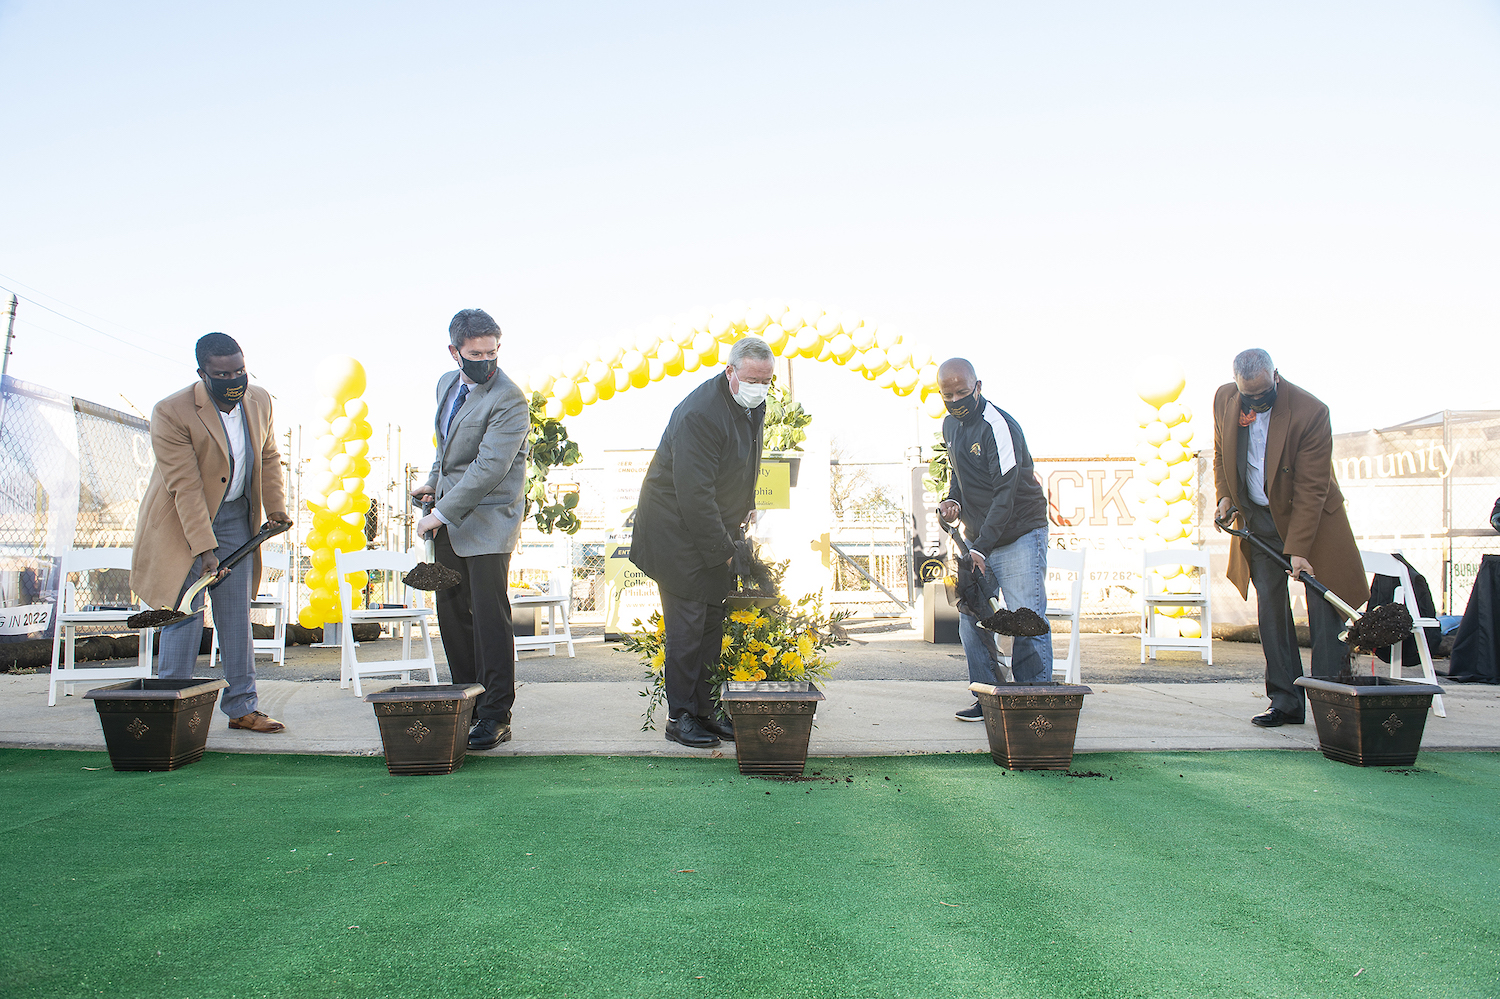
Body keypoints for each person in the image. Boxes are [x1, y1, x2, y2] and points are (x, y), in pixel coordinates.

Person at [132, 333, 293, 732]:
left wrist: (275, 509)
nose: (234, 379)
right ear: (203, 373)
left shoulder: (260, 400)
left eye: (240, 370)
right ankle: (172, 706)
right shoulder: (171, 412)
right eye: (223, 373)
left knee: (236, 614)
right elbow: (185, 487)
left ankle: (242, 707)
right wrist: (205, 549)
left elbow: (269, 455)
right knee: (185, 611)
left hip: (237, 517)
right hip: (184, 523)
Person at [1212, 348, 1368, 727]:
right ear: (1237, 386)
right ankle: (1285, 702)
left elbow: (1314, 488)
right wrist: (1225, 496)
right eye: (1250, 396)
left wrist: (1298, 550)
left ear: (1276, 377)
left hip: (1310, 521)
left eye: (1265, 394)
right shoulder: (1223, 399)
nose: (1258, 402)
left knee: (1323, 609)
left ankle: (1333, 703)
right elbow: (1221, 453)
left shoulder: (1311, 411)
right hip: (1259, 519)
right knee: (1271, 607)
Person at [630, 336, 772, 749]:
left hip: (709, 527)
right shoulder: (700, 414)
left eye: (767, 381)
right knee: (688, 627)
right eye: (752, 379)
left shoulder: (750, 403)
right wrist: (726, 550)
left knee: (711, 623)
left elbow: (747, 458)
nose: (760, 388)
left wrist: (745, 507)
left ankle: (707, 711)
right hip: (675, 530)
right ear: (730, 372)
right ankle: (681, 717)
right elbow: (694, 494)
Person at [411, 309, 530, 751]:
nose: (487, 360)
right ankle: (468, 702)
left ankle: (497, 714)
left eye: (493, 351)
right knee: (454, 617)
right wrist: (432, 481)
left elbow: (488, 468)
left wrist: (439, 514)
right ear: (454, 351)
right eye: (476, 353)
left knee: (488, 620)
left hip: (489, 521)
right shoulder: (447, 384)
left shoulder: (509, 398)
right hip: (447, 513)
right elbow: (447, 448)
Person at [935, 358, 1052, 721]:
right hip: (980, 538)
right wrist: (953, 499)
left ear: (979, 387)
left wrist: (981, 547)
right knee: (971, 618)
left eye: (962, 393)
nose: (956, 401)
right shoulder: (950, 426)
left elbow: (1007, 492)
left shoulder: (997, 425)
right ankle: (987, 697)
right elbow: (959, 473)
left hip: (1018, 533)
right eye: (948, 395)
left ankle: (1033, 701)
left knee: (1025, 617)